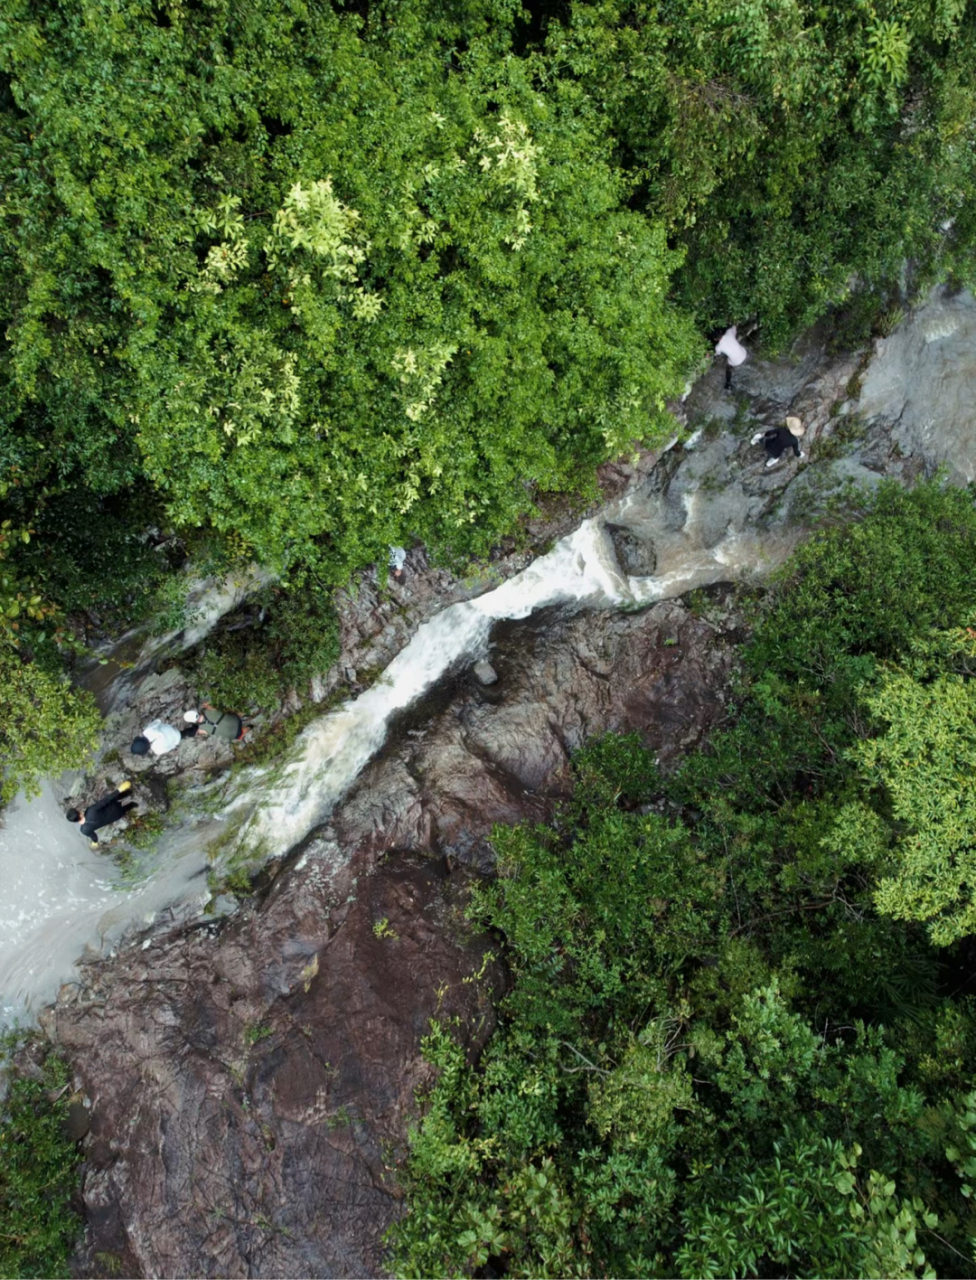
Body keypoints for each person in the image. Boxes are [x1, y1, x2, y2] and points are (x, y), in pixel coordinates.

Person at [66, 782, 137, 849]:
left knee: (128, 807)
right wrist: (119, 789)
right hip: (113, 805)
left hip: (116, 816)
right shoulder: (91, 810)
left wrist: (95, 843)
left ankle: (134, 804)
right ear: (79, 812)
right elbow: (106, 800)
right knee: (117, 797)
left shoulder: (84, 830)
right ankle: (129, 792)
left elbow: (94, 837)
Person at [715, 325, 748, 391]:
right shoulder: (729, 332)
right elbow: (734, 327)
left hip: (736, 361)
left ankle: (728, 383)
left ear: (715, 339)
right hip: (744, 353)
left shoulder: (718, 347)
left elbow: (717, 354)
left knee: (728, 367)